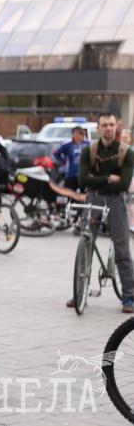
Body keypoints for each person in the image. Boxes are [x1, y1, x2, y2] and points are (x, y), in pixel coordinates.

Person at [71, 112, 134, 313]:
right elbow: (82, 180)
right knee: (86, 242)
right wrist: (108, 178)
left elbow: (123, 184)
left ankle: (129, 296)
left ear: (117, 127)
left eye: (111, 125)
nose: (108, 128)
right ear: (98, 128)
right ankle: (80, 291)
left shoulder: (126, 152)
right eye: (104, 125)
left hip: (116, 200)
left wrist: (95, 179)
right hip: (94, 198)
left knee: (122, 248)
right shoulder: (89, 151)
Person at [53, 126, 89, 191]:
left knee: (84, 195)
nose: (83, 136)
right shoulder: (68, 144)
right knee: (69, 193)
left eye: (83, 134)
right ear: (75, 134)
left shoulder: (87, 144)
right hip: (71, 174)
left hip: (84, 175)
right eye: (81, 134)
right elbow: (56, 153)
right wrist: (63, 160)